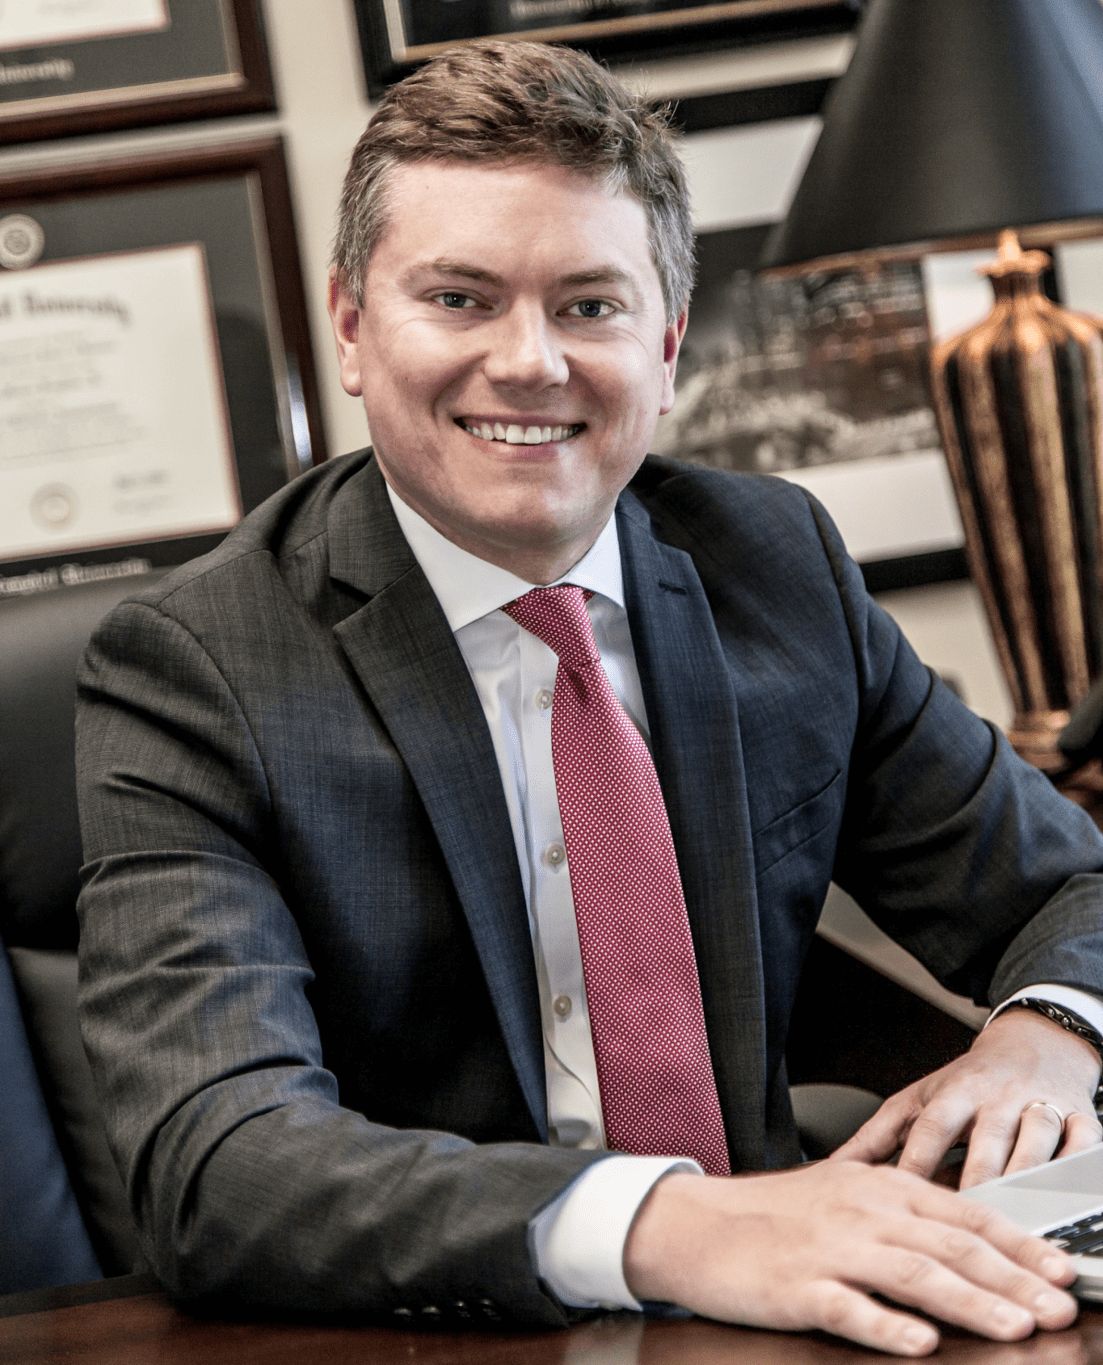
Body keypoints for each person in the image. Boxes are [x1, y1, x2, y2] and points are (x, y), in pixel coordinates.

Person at [75, 39, 1103, 1358]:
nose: (530, 363)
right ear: (349, 326)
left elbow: (1067, 889)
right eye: (458, 298)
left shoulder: (770, 566)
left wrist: (1046, 1036)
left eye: (588, 307)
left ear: (667, 347)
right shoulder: (194, 664)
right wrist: (673, 1223)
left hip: (789, 1319)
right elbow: (215, 1161)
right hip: (447, 1330)